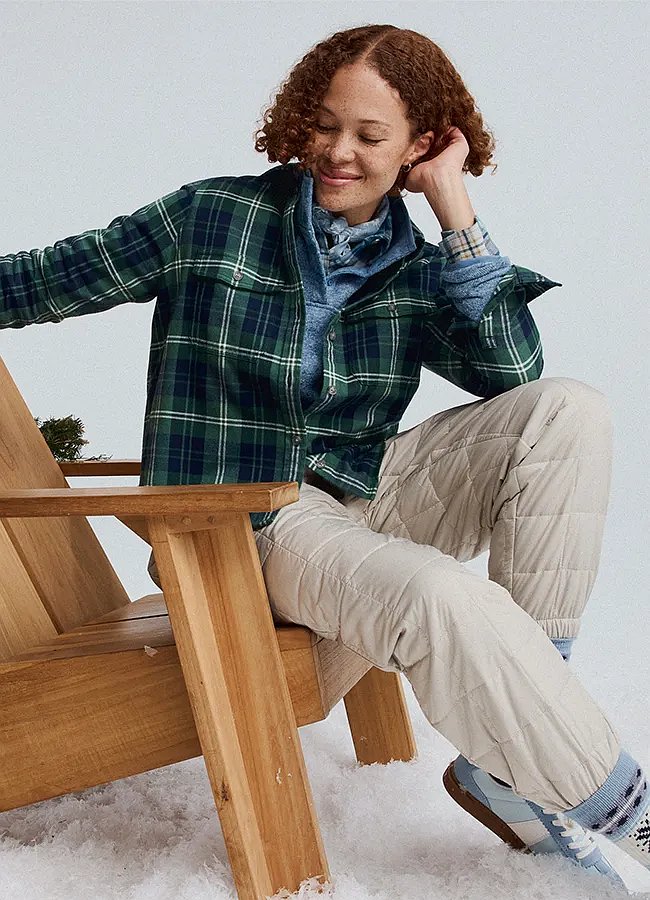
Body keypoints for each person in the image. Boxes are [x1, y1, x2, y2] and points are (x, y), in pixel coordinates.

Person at [1, 22, 647, 891]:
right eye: (324, 124)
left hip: (360, 494)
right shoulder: (212, 218)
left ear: (420, 143)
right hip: (242, 523)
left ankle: (515, 767)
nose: (337, 151)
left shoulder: (415, 262)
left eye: (370, 136)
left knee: (568, 410)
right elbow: (41, 280)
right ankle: (625, 814)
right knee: (442, 595)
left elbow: (513, 371)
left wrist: (453, 206)